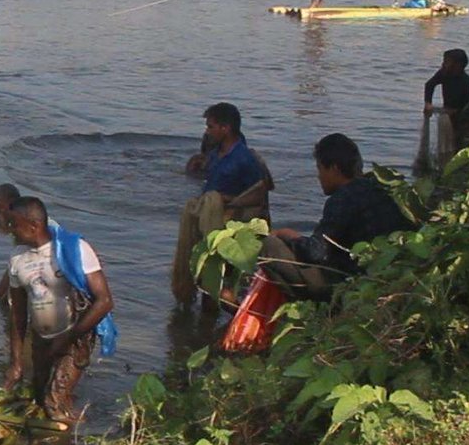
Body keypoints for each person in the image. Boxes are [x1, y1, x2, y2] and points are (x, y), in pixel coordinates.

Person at [2, 196, 116, 421]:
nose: (11, 230)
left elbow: (104, 301)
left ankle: (73, 438)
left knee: (54, 403)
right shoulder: (17, 259)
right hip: (41, 337)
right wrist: (16, 363)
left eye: (14, 225)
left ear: (34, 225)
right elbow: (18, 315)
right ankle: (67, 417)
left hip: (75, 336)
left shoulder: (74, 249)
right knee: (37, 396)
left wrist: (68, 338)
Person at [262, 134, 414, 301]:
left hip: (350, 283)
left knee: (268, 244)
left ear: (334, 169)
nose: (319, 176)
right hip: (383, 274)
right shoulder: (380, 188)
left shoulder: (342, 198)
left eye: (320, 168)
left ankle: (303, 302)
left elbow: (315, 252)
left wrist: (287, 235)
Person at [174, 103, 274, 306]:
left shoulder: (244, 159)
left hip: (227, 224)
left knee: (216, 279)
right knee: (203, 277)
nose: (207, 131)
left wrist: (228, 201)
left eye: (210, 127)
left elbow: (260, 194)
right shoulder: (215, 155)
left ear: (225, 128)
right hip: (209, 220)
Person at [423, 48, 469, 155]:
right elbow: (430, 85)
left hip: (467, 120)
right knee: (450, 146)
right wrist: (428, 103)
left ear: (458, 65)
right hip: (451, 113)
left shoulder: (466, 83)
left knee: (462, 147)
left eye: (447, 61)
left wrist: (446, 111)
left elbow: (466, 109)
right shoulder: (444, 73)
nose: (443, 64)